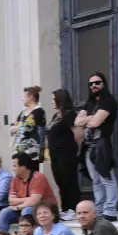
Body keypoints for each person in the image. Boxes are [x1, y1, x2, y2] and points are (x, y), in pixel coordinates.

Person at [76, 71, 118, 221]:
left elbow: (95, 123)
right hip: (89, 146)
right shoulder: (89, 103)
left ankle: (110, 211)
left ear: (103, 84)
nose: (94, 85)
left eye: (97, 82)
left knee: (106, 177)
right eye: (91, 83)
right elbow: (77, 122)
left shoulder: (108, 101)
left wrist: (87, 119)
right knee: (96, 181)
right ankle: (99, 210)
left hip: (102, 144)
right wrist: (91, 117)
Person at [46, 89, 82, 221]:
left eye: (53, 99)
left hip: (66, 154)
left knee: (69, 181)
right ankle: (65, 208)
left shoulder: (69, 115)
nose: (51, 102)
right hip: (54, 155)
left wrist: (72, 149)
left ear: (60, 100)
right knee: (60, 181)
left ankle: (74, 208)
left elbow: (77, 133)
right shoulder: (56, 116)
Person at [0, 152, 56, 231]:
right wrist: (28, 199)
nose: (13, 169)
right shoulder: (15, 179)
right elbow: (11, 201)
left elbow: (34, 202)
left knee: (27, 210)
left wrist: (18, 206)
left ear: (23, 167)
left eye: (15, 166)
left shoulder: (39, 178)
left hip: (44, 210)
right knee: (4, 213)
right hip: (23, 209)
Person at [11, 86, 46, 159]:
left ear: (31, 97)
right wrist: (15, 127)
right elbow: (14, 124)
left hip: (32, 151)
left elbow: (31, 128)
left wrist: (18, 128)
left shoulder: (39, 111)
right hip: (20, 150)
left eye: (24, 96)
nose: (23, 99)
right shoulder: (23, 112)